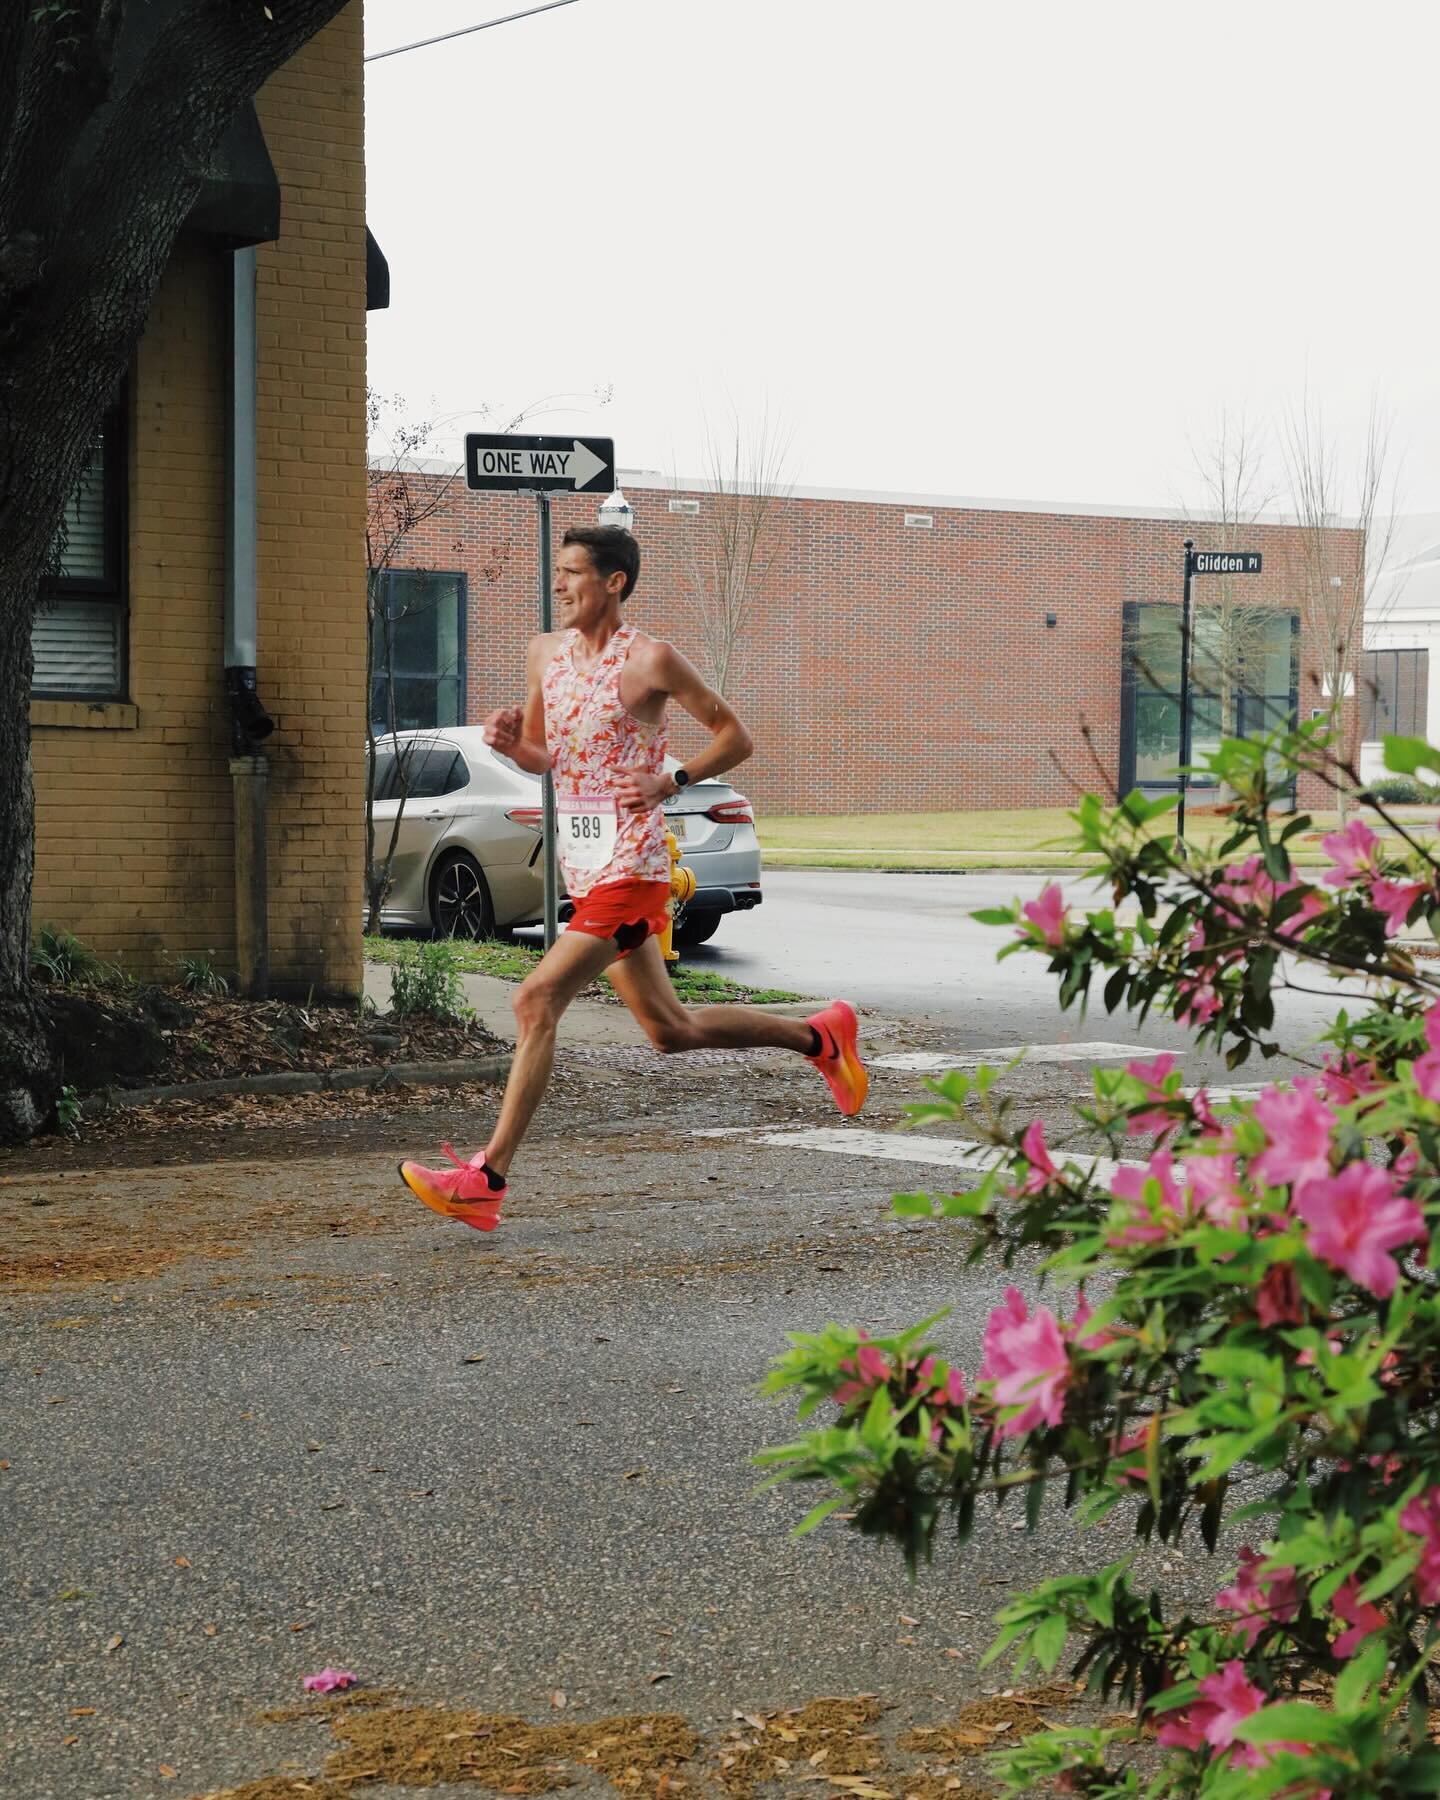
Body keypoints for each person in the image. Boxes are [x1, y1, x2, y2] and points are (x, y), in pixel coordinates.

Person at [399, 525, 867, 1231]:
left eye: (574, 574)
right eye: (558, 573)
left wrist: (671, 777)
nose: (560, 586)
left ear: (614, 581)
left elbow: (734, 736)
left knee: (534, 998)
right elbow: (542, 755)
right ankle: (821, 1039)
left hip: (635, 866)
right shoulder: (544, 655)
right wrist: (507, 743)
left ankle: (486, 1179)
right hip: (585, 867)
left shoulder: (652, 661)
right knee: (669, 1029)